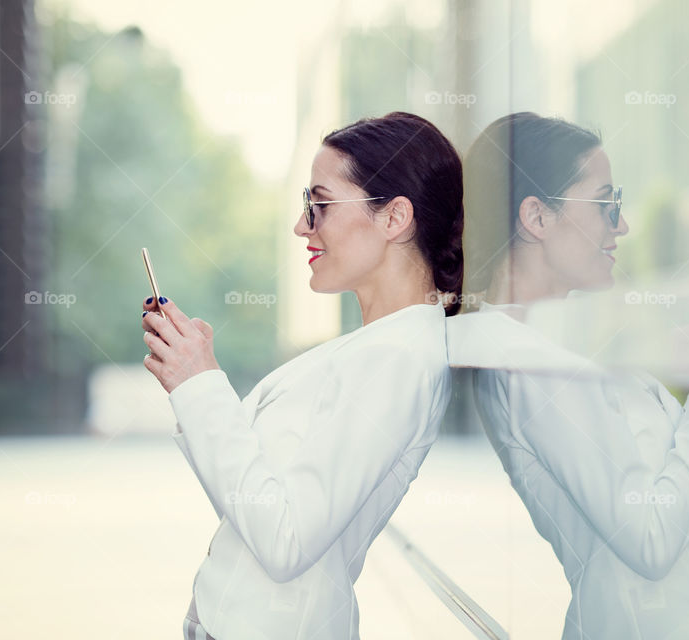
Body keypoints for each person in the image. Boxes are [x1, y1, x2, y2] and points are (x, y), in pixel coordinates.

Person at [139, 111, 464, 639]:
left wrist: (202, 388)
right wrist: (195, 378)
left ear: (394, 217)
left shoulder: (397, 359)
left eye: (320, 205)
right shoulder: (376, 348)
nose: (302, 225)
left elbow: (285, 541)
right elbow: (251, 506)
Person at [460, 112, 689, 639]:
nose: (620, 225)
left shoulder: (546, 342)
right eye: (605, 204)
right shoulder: (531, 363)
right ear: (536, 217)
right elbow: (651, 538)